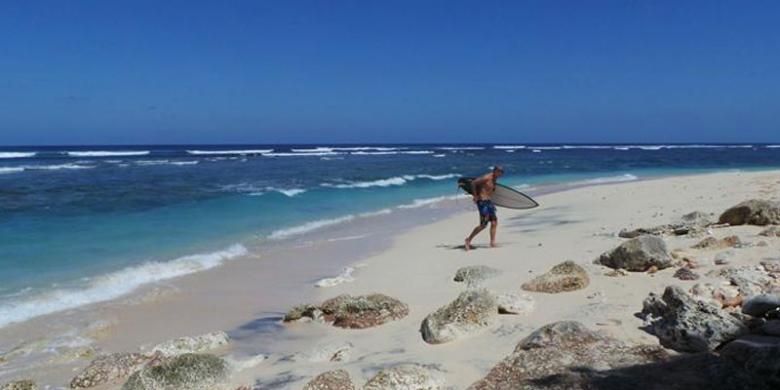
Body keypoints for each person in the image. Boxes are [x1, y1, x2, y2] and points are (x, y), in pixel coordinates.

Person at [464, 165, 503, 251]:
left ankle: (492, 242)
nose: (501, 174)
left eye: (501, 172)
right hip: (482, 202)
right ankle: (468, 240)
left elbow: (489, 191)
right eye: (499, 172)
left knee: (494, 222)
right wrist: (475, 196)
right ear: (495, 171)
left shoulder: (494, 179)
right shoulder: (486, 177)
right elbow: (473, 183)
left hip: (489, 202)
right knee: (483, 225)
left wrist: (493, 202)